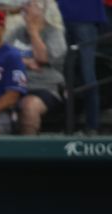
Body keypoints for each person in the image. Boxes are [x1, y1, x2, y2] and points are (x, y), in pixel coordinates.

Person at [6, 0, 67, 135]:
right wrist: (27, 62)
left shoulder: (54, 32)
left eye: (29, 5)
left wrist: (33, 31)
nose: (24, 7)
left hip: (44, 88)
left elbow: (43, 58)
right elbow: (2, 57)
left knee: (29, 106)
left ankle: (27, 151)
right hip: (14, 86)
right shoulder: (17, 32)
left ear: (42, 11)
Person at [57, 0, 107, 134]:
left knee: (87, 74)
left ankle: (91, 125)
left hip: (85, 16)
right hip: (59, 16)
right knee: (63, 75)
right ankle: (69, 125)